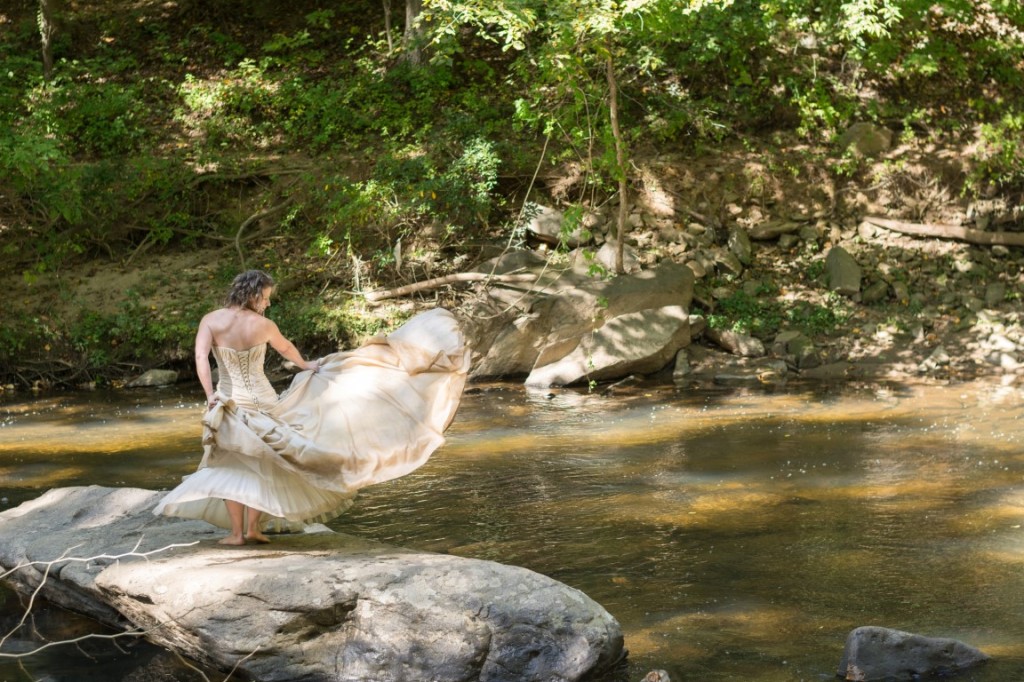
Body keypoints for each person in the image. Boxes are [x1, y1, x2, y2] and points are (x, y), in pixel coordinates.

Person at [153, 269, 470, 545]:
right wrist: (308, 365)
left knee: (229, 465)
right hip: (262, 402)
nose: (268, 303)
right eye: (265, 297)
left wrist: (210, 395)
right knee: (270, 463)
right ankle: (251, 529)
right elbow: (286, 349)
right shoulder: (263, 325)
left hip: (227, 400)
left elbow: (200, 358)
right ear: (252, 296)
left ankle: (237, 533)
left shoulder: (211, 320)